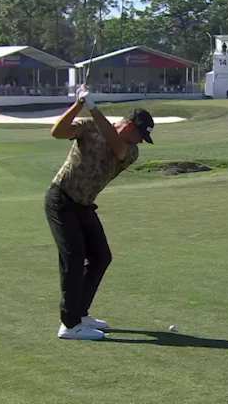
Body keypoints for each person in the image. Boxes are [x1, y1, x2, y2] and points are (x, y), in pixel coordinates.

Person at [45, 84, 154, 340]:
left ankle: (80, 313)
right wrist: (79, 105)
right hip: (61, 199)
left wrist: (93, 108)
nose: (141, 141)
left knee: (101, 257)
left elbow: (116, 147)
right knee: (73, 257)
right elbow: (57, 132)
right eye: (140, 135)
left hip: (83, 205)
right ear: (129, 125)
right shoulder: (88, 126)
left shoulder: (130, 151)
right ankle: (69, 325)